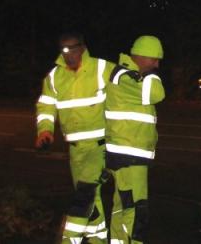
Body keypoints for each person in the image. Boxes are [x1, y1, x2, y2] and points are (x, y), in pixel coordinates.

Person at [35, 32, 114, 243]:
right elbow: (46, 105)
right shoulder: (55, 76)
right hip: (75, 149)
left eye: (72, 49)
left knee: (84, 196)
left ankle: (69, 240)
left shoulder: (102, 68)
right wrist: (45, 131)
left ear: (83, 47)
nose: (68, 54)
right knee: (91, 197)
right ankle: (98, 239)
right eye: (63, 50)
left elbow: (125, 92)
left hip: (100, 147)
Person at [105, 35, 166, 244]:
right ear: (140, 57)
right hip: (129, 154)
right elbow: (156, 93)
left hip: (126, 153)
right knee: (136, 209)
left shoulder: (127, 76)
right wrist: (150, 74)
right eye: (154, 59)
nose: (157, 64)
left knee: (121, 205)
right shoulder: (123, 77)